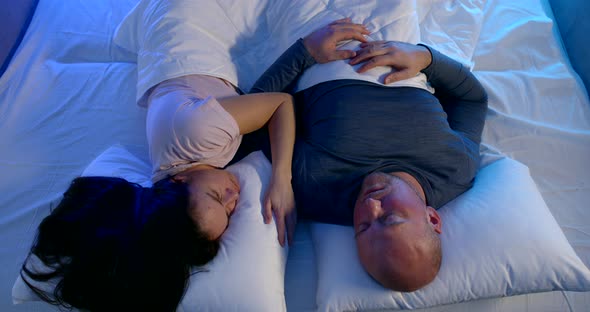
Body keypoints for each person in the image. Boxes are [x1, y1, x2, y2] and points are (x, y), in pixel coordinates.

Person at [20, 18, 369, 312]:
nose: (235, 195)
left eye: (219, 198)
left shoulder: (196, 135)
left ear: (180, 180)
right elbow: (253, 107)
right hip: (164, 46)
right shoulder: (181, 172)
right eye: (231, 211)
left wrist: (282, 178)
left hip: (188, 21)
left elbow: (280, 104)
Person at [250, 19, 488, 292]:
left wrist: (304, 52)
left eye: (363, 226)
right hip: (400, 34)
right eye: (390, 218)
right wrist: (426, 57)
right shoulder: (456, 168)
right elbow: (473, 100)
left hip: (319, 34)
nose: (371, 206)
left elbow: (257, 113)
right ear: (432, 218)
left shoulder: (316, 189)